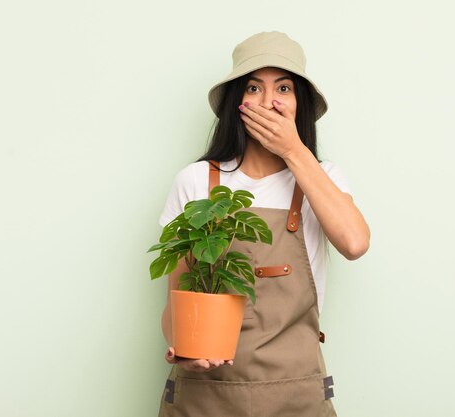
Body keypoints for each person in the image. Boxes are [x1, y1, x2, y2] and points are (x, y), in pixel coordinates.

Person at [157, 31, 370, 416]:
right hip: (205, 395)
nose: (269, 101)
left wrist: (292, 149)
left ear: (298, 104)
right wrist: (181, 347)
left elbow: (354, 243)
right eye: (254, 87)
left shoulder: (323, 178)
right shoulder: (194, 181)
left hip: (296, 394)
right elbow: (176, 297)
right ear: (237, 102)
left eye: (283, 88)